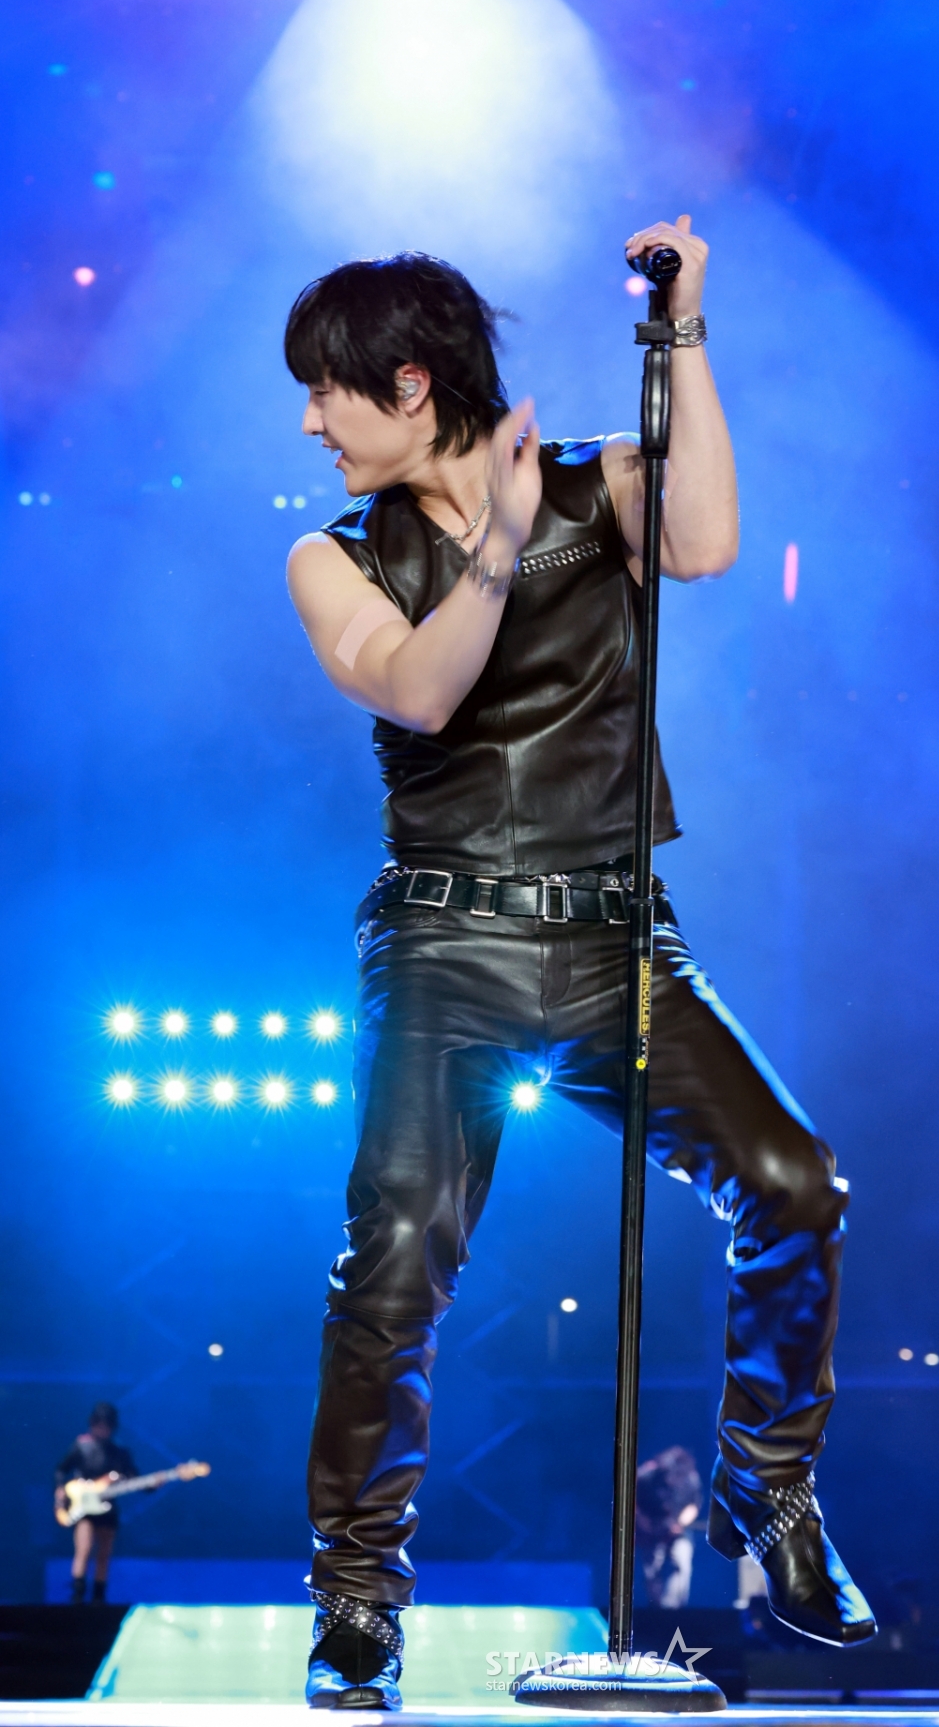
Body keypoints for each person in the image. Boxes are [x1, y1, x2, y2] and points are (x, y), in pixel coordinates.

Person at [284, 217, 876, 1710]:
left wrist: (683, 328)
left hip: (618, 937)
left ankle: (770, 1493)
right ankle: (358, 1595)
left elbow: (708, 543)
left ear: (409, 385)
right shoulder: (334, 557)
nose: (309, 423)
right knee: (396, 1257)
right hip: (447, 945)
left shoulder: (596, 484)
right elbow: (421, 692)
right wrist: (488, 550)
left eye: (325, 392)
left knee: (797, 1183)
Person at [54, 1402, 137, 1605]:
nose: (102, 1429)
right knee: (83, 1549)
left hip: (107, 1508)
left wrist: (153, 1484)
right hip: (85, 1507)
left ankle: (99, 1598)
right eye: (99, 1425)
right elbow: (61, 1469)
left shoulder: (120, 1452)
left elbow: (134, 1478)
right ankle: (77, 1596)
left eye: (106, 1425)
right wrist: (60, 1491)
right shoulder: (81, 1445)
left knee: (104, 1554)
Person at [636, 1446, 703, 1609]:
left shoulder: (691, 1478)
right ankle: (656, 1607)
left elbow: (694, 1505)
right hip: (651, 1529)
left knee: (681, 1563)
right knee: (652, 1570)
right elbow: (632, 1501)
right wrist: (643, 1521)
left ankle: (673, 1608)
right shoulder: (646, 1476)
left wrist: (680, 1523)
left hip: (678, 1530)